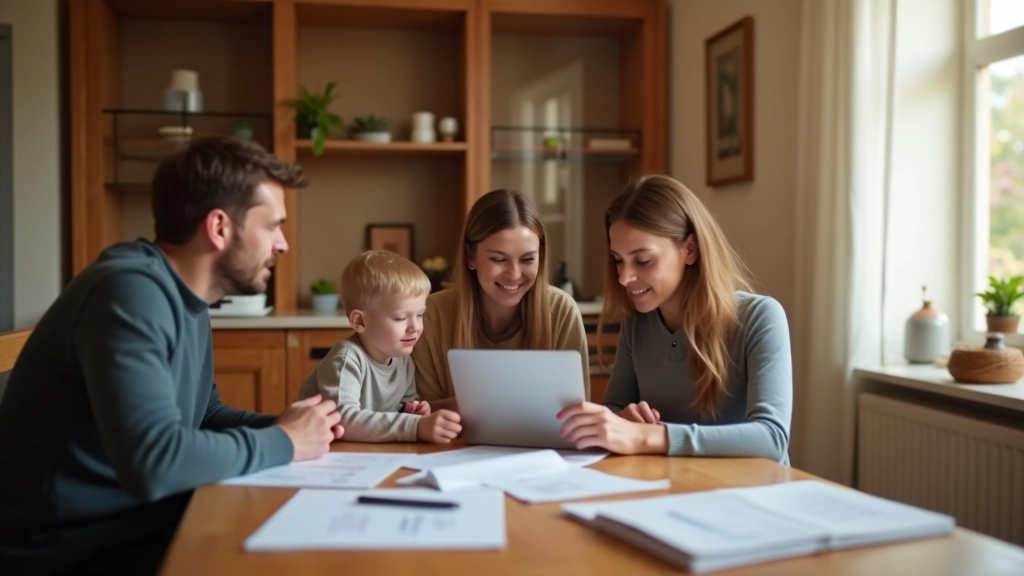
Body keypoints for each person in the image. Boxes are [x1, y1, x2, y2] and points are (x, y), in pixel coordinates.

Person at [0, 137, 344, 576]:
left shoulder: (188, 297)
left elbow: (202, 414)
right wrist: (285, 441)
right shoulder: (129, 291)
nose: (283, 244)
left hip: (135, 525)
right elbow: (155, 461)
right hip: (66, 551)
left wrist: (297, 426)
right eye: (273, 225)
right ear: (219, 227)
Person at [557, 174, 792, 463]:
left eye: (643, 260)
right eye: (618, 260)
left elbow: (772, 439)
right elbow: (615, 408)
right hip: (674, 487)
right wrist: (623, 419)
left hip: (750, 495)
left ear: (689, 250)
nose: (624, 277)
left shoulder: (761, 318)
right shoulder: (637, 325)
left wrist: (649, 436)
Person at [413, 189, 590, 411]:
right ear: (470, 256)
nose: (514, 274)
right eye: (499, 259)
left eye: (527, 259)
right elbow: (421, 412)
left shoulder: (562, 311)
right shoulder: (430, 315)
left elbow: (577, 412)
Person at [299, 251, 462, 443]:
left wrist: (413, 412)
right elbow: (344, 420)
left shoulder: (404, 361)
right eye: (401, 318)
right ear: (359, 321)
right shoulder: (345, 359)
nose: (415, 327)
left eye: (420, 315)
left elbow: (401, 409)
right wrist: (415, 426)